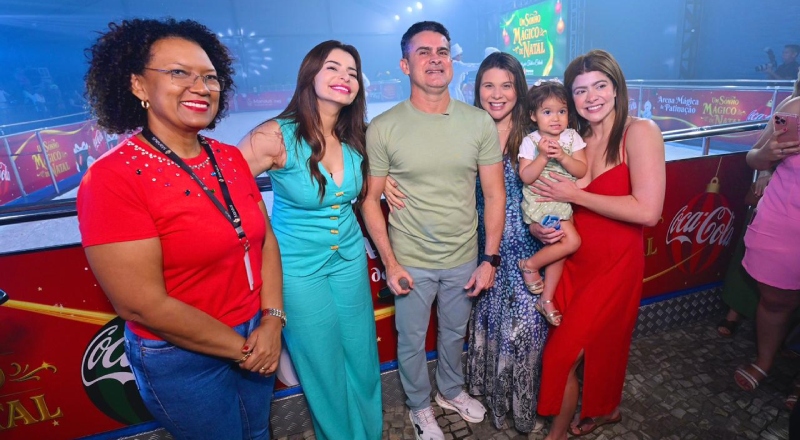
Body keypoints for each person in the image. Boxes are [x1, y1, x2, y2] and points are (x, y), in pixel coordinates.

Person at [77, 18, 281, 440]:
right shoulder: (113, 178)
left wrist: (272, 320)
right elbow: (141, 305)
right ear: (138, 85)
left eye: (210, 77)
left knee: (259, 433)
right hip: (181, 355)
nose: (200, 87)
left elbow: (264, 242)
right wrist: (243, 349)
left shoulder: (229, 157)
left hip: (256, 330)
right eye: (178, 73)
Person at [384, 51, 551, 432]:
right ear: (476, 90)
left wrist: (552, 221)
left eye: (506, 85)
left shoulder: (536, 134)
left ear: (519, 90)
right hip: (473, 246)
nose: (497, 94)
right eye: (488, 85)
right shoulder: (464, 125)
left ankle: (519, 406)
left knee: (524, 332)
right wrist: (379, 178)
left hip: (522, 247)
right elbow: (399, 145)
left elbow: (567, 170)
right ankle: (476, 398)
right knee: (483, 333)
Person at [360, 21, 505, 440]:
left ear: (452, 62)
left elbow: (494, 194)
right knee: (410, 340)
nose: (435, 59)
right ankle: (419, 407)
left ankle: (450, 391)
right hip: (411, 260)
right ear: (406, 65)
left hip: (464, 256)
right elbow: (369, 200)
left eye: (442, 51)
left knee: (455, 333)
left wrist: (489, 258)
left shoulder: (478, 122)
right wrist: (390, 263)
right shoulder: (384, 127)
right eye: (423, 52)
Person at [237, 40, 381, 440]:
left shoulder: (356, 136)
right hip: (298, 269)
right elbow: (225, 189)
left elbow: (368, 188)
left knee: (362, 356)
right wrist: (261, 234)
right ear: (310, 75)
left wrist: (390, 186)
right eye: (333, 68)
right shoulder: (275, 135)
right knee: (322, 366)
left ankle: (371, 433)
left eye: (352, 72)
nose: (344, 77)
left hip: (349, 259)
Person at [531, 50, 665, 439]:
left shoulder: (640, 132)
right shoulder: (575, 140)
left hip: (615, 265)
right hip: (573, 260)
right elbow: (554, 200)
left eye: (600, 86)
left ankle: (557, 434)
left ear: (616, 87)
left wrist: (577, 195)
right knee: (587, 348)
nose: (591, 97)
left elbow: (648, 212)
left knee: (561, 356)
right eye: (580, 90)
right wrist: (543, 227)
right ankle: (605, 409)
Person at [733, 78, 800, 400]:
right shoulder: (795, 108)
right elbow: (753, 158)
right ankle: (765, 360)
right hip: (784, 223)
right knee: (775, 301)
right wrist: (767, 154)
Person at [516, 79, 587, 326]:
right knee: (572, 241)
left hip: (563, 200)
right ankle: (529, 265)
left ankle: (546, 299)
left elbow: (581, 170)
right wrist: (543, 157)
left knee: (561, 247)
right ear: (533, 116)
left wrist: (564, 157)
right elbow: (526, 176)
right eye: (547, 112)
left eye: (562, 111)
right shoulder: (531, 141)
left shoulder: (572, 137)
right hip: (541, 200)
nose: (555, 118)